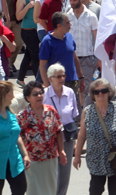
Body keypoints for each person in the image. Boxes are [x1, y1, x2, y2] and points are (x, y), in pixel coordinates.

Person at [73, 78, 116, 195]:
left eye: (103, 90)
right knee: (95, 190)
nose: (100, 94)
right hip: (95, 159)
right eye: (96, 91)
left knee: (114, 191)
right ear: (93, 94)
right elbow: (81, 136)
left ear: (109, 92)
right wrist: (77, 156)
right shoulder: (87, 111)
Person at [17, 81, 66, 195]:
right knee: (33, 190)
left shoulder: (51, 111)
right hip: (32, 160)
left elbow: (58, 131)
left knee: (50, 189)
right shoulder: (23, 115)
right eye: (35, 94)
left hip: (50, 157)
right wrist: (24, 156)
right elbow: (18, 137)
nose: (39, 96)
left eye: (41, 93)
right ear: (28, 98)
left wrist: (62, 150)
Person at [43, 63, 78, 195]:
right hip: (49, 138)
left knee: (64, 173)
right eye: (58, 76)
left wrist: (75, 142)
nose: (62, 78)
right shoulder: (44, 95)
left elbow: (74, 117)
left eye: (63, 75)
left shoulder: (70, 93)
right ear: (50, 78)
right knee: (51, 173)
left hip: (67, 138)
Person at [38, 12, 84, 99]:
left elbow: (75, 58)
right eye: (67, 23)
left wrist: (81, 77)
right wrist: (47, 85)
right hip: (56, 82)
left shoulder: (69, 37)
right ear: (59, 26)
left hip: (72, 80)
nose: (70, 24)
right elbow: (42, 65)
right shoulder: (47, 41)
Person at [66, 0, 98, 108]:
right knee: (72, 89)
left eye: (74, 0)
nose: (72, 2)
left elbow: (97, 38)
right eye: (70, 0)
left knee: (87, 88)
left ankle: (87, 115)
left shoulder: (91, 16)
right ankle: (77, 117)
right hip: (71, 58)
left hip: (87, 57)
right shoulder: (67, 16)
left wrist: (98, 58)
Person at [0, 81, 29, 195]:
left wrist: (25, 155)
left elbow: (16, 136)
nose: (14, 96)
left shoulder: (11, 113)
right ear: (3, 95)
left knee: (21, 188)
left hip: (14, 161)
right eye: (11, 93)